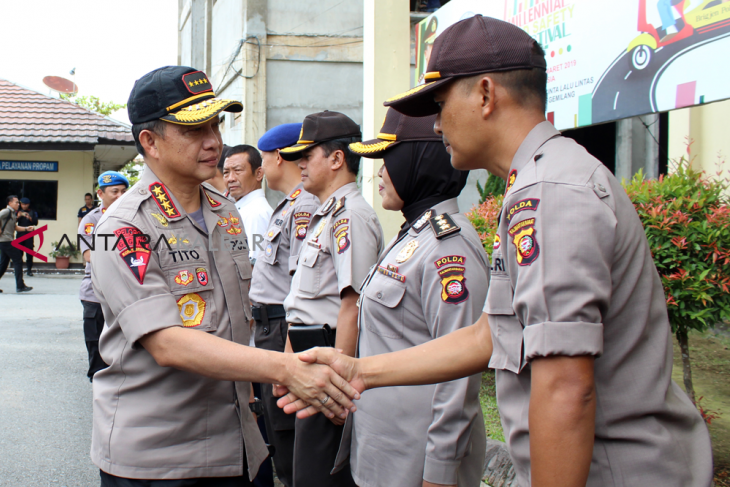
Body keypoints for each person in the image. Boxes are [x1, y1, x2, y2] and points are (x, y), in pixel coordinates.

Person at [279, 15, 714, 487]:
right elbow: (488, 335)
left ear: (485, 95)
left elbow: (566, 387)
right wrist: (358, 369)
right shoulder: (532, 184)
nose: (438, 123)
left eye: (441, 104)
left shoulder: (550, 192)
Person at [89, 66, 358, 487]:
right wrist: (286, 369)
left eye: (215, 123)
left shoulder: (223, 208)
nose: (214, 140)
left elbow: (234, 320)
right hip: (160, 458)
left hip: (239, 446)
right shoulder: (125, 227)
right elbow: (168, 342)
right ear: (149, 141)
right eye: (194, 129)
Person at [336, 108, 489, 487]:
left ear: (420, 160)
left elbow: (460, 380)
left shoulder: (448, 248)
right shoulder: (413, 235)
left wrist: (439, 473)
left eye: (389, 159)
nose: (379, 172)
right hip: (381, 454)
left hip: (416, 466)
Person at [279, 110, 383, 487]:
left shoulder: (350, 216)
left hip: (329, 370)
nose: (300, 165)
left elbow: (352, 305)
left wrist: (340, 387)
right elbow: (302, 302)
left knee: (318, 477)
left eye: (308, 155)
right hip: (309, 363)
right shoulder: (327, 215)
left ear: (337, 159)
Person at [249, 122, 320, 487]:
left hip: (282, 329)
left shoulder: (304, 207)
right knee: (277, 433)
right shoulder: (288, 206)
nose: (263, 167)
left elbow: (302, 286)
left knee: (288, 434)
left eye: (263, 158)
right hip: (268, 327)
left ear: (278, 156)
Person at [78, 171, 129, 382]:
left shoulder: (131, 216)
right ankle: (97, 377)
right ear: (101, 193)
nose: (120, 196)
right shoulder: (91, 220)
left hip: (125, 289)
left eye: (123, 191)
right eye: (114, 191)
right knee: (95, 338)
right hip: (96, 291)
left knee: (123, 338)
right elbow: (89, 255)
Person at [224, 145, 273, 264]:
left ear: (259, 174)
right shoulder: (243, 209)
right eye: (226, 172)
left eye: (238, 170)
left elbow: (253, 267)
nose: (230, 178)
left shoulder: (255, 214)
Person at [0, 195, 33, 293]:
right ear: (10, 203)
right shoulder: (6, 211)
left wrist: (27, 229)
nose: (18, 204)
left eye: (18, 202)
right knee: (18, 260)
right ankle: (20, 286)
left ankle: (20, 285)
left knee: (3, 265)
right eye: (16, 202)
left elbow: (15, 227)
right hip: (6, 241)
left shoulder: (13, 213)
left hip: (6, 241)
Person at [16, 197, 39, 276]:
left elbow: (36, 222)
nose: (24, 206)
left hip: (29, 234)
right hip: (20, 233)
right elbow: (13, 221)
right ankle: (18, 269)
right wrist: (18, 216)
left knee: (29, 252)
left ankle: (29, 270)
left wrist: (29, 218)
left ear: (28, 204)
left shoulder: (32, 212)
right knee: (19, 252)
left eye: (25, 204)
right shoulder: (17, 212)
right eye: (22, 204)